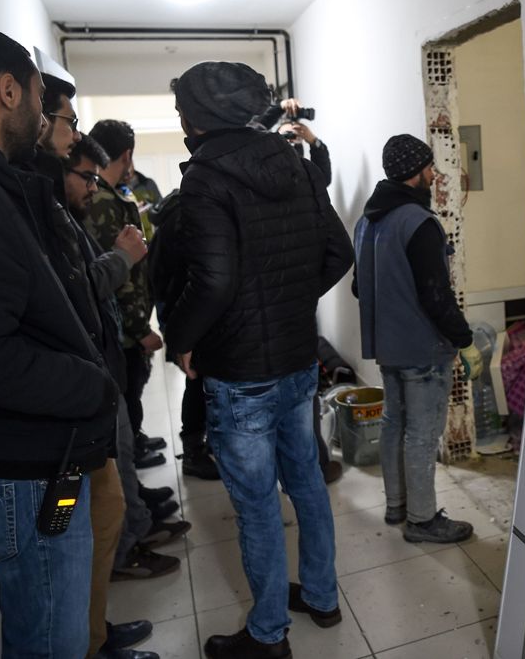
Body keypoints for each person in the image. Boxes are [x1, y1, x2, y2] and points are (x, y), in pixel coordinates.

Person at [0, 26, 118, 658]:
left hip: (40, 456)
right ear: (9, 91)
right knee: (47, 643)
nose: (44, 118)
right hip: (25, 472)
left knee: (51, 632)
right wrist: (90, 384)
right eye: (39, 97)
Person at [166, 61, 353, 659]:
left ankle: (268, 633)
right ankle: (321, 596)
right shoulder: (295, 166)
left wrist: (181, 338)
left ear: (197, 118)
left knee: (256, 508)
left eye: (181, 112)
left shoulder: (203, 180)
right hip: (297, 362)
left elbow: (214, 282)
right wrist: (288, 302)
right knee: (305, 481)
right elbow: (337, 252)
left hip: (240, 375)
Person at [28, 77, 160, 659]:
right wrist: (124, 261)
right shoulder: (29, 207)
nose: (71, 133)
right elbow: (77, 293)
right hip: (68, 407)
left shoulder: (59, 209)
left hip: (92, 387)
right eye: (64, 119)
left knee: (100, 519)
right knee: (80, 533)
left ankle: (96, 635)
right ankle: (90, 639)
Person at [64, 135, 190, 587]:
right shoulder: (93, 209)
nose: (91, 187)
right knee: (115, 454)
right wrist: (138, 329)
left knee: (125, 440)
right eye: (86, 177)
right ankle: (129, 542)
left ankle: (136, 527)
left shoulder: (105, 202)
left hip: (114, 342)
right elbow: (103, 280)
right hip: (108, 346)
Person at [352, 134, 483, 544]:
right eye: (429, 167)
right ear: (414, 173)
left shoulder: (366, 221)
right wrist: (463, 341)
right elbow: (436, 294)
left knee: (395, 424)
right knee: (423, 434)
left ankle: (398, 506)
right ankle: (423, 520)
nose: (433, 174)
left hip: (387, 346)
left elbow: (361, 287)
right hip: (423, 349)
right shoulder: (419, 223)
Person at [85, 119, 166, 471]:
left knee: (133, 394)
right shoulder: (103, 199)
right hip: (120, 330)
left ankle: (136, 445)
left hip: (126, 324)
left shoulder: (112, 192)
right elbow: (121, 275)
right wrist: (138, 328)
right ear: (127, 154)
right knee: (127, 396)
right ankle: (132, 464)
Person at [147, 189, 220, 480]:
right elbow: (193, 278)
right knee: (197, 380)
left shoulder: (172, 214)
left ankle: (204, 445)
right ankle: (193, 451)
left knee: (199, 380)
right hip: (188, 312)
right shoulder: (188, 218)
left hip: (176, 309)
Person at [276, 98, 331, 186]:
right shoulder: (266, 171)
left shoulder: (307, 177)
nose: (290, 140)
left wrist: (314, 141)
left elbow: (323, 180)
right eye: (286, 135)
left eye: (294, 136)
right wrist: (280, 106)